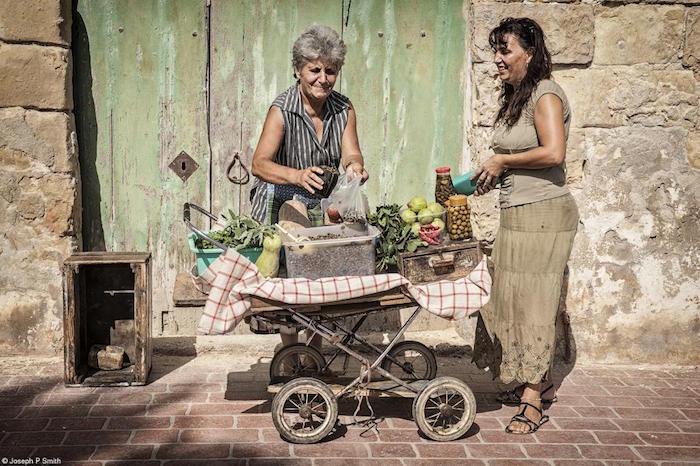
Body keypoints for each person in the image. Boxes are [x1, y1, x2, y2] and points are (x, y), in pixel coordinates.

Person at [470, 17, 579, 435]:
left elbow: (553, 152)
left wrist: (503, 161)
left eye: (505, 50)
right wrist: (490, 175)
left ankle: (534, 399)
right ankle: (540, 381)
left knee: (535, 304)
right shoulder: (517, 96)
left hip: (545, 215)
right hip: (516, 212)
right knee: (511, 301)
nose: (497, 59)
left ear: (529, 54)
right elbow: (518, 155)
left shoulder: (546, 93)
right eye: (495, 50)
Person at [249, 25, 369, 349]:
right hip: (284, 203)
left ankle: (314, 349)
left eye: (330, 71)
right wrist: (297, 176)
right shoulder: (282, 109)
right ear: (298, 70)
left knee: (324, 277)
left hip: (323, 205)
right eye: (315, 69)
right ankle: (290, 348)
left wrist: (355, 166)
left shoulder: (343, 108)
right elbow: (259, 164)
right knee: (290, 277)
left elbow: (351, 151)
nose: (323, 78)